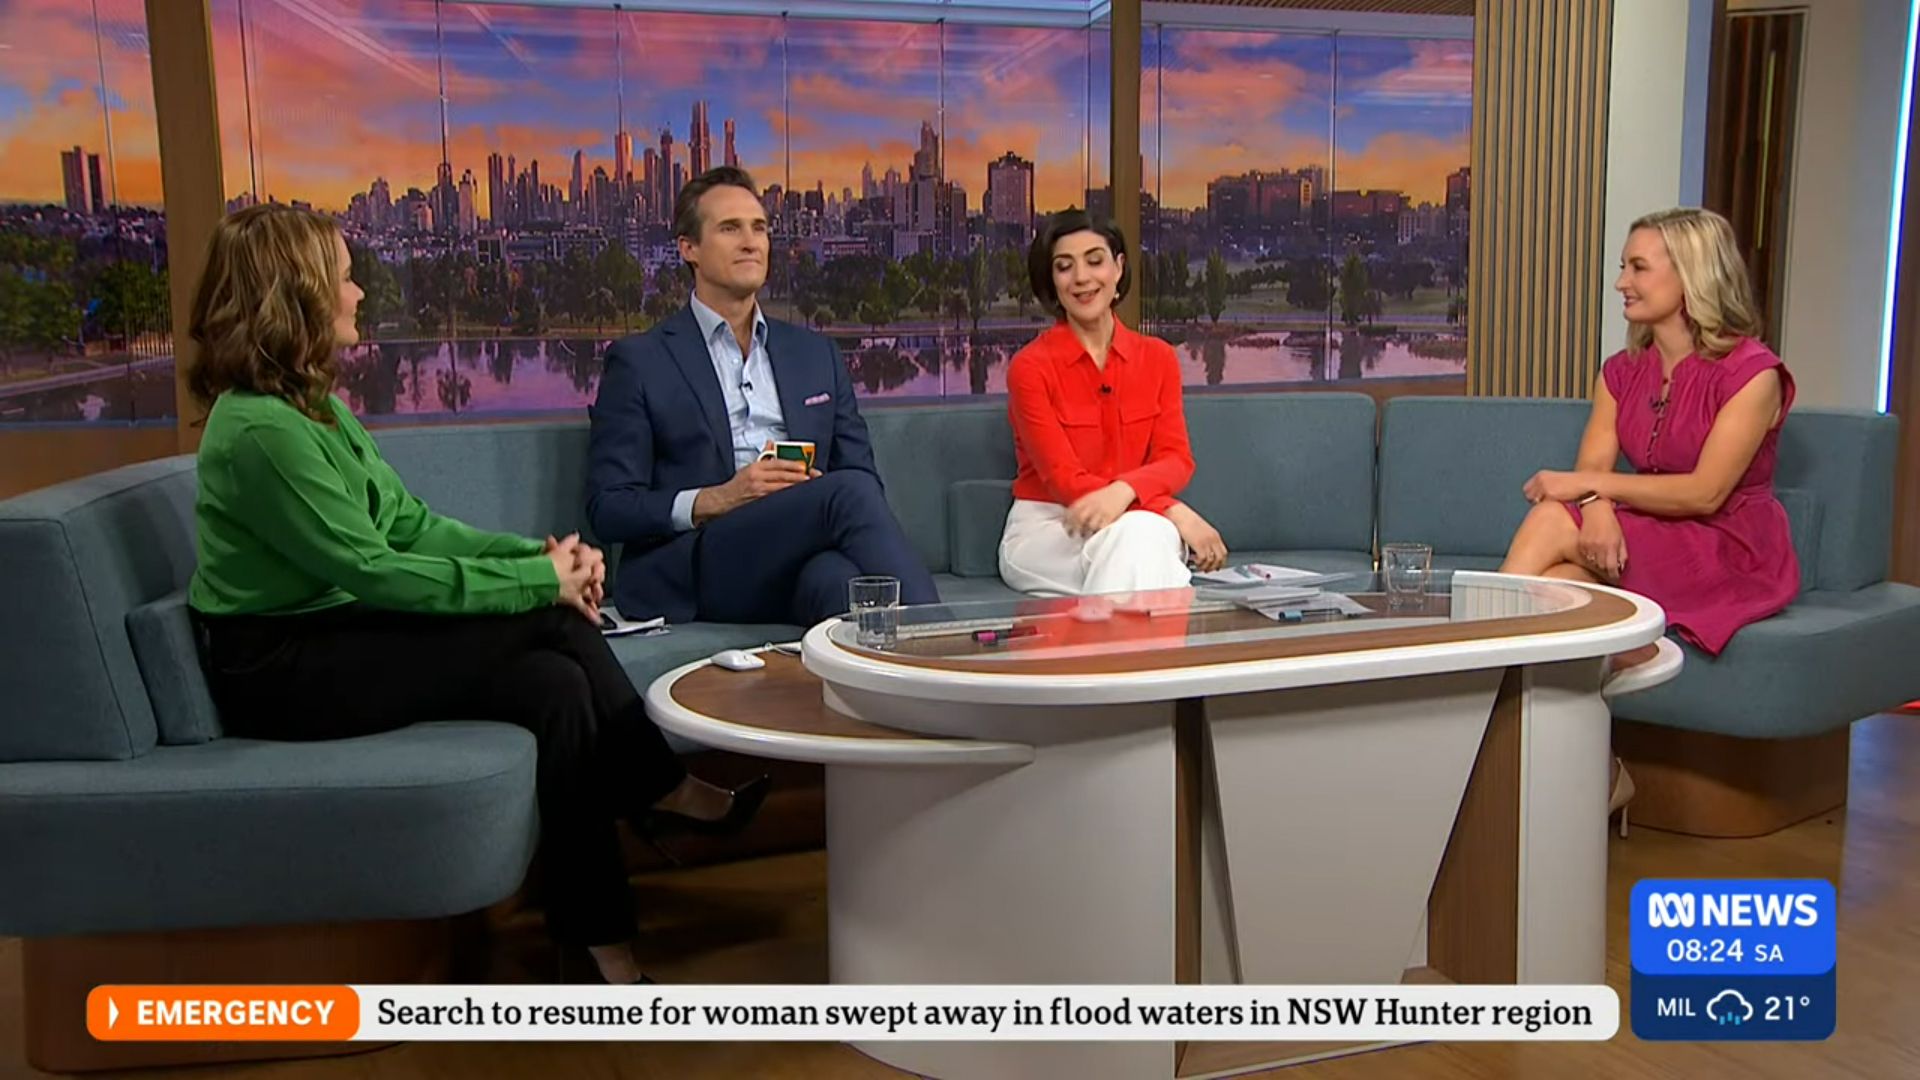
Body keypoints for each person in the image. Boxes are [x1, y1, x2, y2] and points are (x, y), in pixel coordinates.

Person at [184, 204, 764, 987]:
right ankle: (663, 792)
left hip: (336, 633)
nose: (359, 293)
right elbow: (375, 569)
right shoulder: (261, 431)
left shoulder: (312, 410)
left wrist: (536, 555)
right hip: (281, 668)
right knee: (554, 628)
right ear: (296, 298)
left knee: (554, 684)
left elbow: (411, 527)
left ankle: (595, 943)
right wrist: (543, 582)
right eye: (345, 279)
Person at [1497, 206, 1799, 826]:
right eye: (1623, 267)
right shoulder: (1622, 371)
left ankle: (1478, 698)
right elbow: (1591, 470)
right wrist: (1596, 508)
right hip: (1651, 529)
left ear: (1691, 275)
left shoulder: (1753, 374)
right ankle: (1600, 768)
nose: (1621, 283)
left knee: (1552, 524)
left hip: (1727, 545)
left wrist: (1587, 491)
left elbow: (1706, 494)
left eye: (1637, 267)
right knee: (1558, 587)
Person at [587, 166, 937, 626]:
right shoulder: (640, 361)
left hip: (794, 551)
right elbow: (609, 508)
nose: (751, 242)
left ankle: (902, 667)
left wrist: (808, 498)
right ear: (688, 248)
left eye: (759, 228)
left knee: (839, 583)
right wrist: (718, 498)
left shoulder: (816, 354)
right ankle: (945, 644)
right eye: (730, 228)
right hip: (701, 562)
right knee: (848, 493)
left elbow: (861, 474)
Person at [998, 210, 1227, 596]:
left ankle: (1103, 636)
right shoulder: (1030, 368)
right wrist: (1172, 509)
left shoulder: (1158, 358)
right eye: (1064, 267)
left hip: (1136, 523)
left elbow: (1175, 459)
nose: (1081, 278)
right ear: (1052, 281)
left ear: (1118, 267)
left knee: (1136, 540)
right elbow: (1065, 481)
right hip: (1052, 528)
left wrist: (1123, 494)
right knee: (1145, 544)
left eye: (1095, 260)